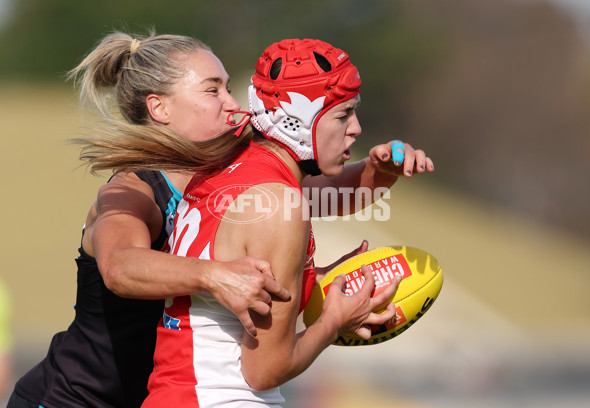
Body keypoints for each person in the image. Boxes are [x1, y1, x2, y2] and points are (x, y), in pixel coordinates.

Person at [8, 32, 432, 408]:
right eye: (213, 91)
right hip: (70, 398)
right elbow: (120, 268)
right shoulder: (133, 190)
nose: (232, 104)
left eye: (230, 88)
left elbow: (313, 200)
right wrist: (215, 275)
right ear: (159, 107)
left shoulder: (224, 173)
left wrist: (383, 171)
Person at [139, 38, 431, 407]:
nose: (356, 128)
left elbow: (332, 195)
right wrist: (334, 322)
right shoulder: (280, 204)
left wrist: (378, 171)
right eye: (343, 115)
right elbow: (265, 370)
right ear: (299, 119)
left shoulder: (233, 169)